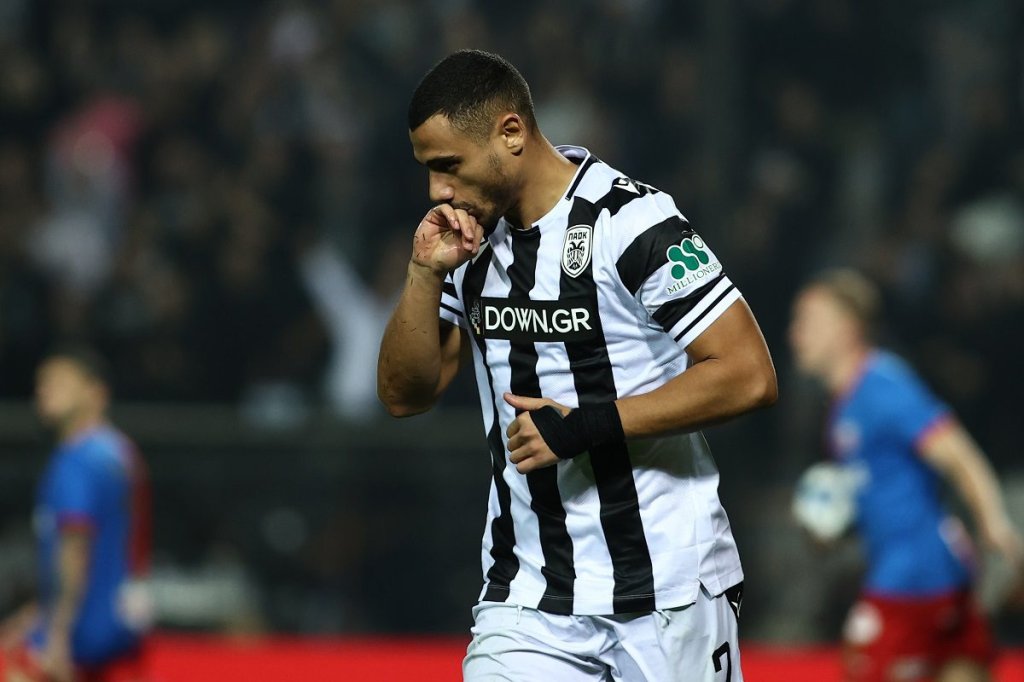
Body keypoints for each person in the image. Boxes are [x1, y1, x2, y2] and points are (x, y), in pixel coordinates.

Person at [377, 49, 777, 681]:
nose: (437, 190)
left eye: (448, 165)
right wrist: (424, 273)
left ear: (511, 133)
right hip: (529, 596)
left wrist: (586, 426)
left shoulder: (633, 221)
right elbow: (405, 394)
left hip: (668, 586)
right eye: (428, 170)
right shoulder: (467, 244)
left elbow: (748, 374)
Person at [788, 269, 1024, 682]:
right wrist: (839, 523)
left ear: (847, 327)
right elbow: (889, 489)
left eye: (809, 320)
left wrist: (993, 520)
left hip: (911, 577)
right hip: (934, 569)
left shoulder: (883, 385)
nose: (795, 334)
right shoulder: (845, 406)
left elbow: (957, 453)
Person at [0, 347, 151, 682]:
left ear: (95, 393)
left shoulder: (77, 460)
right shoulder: (121, 452)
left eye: (59, 382)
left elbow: (74, 546)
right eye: (42, 382)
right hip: (123, 618)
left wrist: (57, 632)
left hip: (82, 627)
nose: (44, 390)